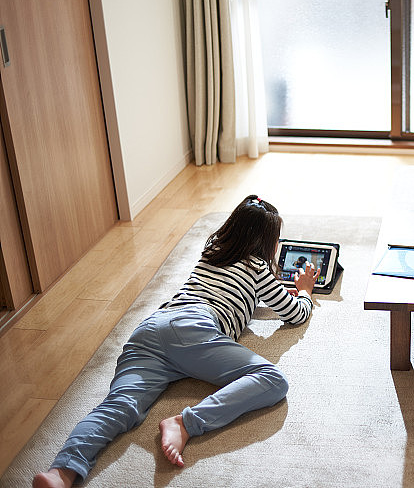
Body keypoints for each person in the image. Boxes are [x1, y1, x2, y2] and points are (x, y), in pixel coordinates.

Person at [33, 196, 318, 488]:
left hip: (151, 329)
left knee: (119, 405)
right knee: (272, 379)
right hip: (193, 328)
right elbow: (295, 314)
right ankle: (184, 423)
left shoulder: (213, 251)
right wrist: (305, 291)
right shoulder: (258, 268)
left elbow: (229, 290)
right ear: (269, 244)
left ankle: (61, 473)